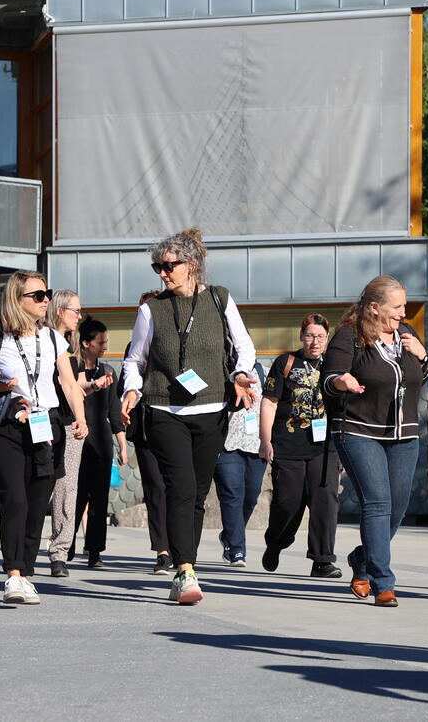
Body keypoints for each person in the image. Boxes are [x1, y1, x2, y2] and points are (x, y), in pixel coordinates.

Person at [121, 228, 257, 604]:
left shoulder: (219, 299)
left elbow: (244, 346)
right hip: (165, 409)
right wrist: (132, 388)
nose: (163, 273)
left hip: (212, 410)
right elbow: (135, 359)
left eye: (169, 266)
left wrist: (240, 374)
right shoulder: (152, 309)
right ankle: (185, 571)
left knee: (197, 493)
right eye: (157, 267)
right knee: (180, 488)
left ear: (191, 265)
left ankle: (188, 563)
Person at [0, 270, 87, 604]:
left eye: (46, 294)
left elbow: (68, 382)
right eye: (37, 295)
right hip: (7, 426)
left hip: (46, 425)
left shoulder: (54, 339)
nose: (45, 301)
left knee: (38, 505)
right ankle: (12, 575)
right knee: (16, 498)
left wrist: (80, 418)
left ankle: (25, 571)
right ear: (17, 299)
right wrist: (1, 387)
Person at [321, 275, 428, 608]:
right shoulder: (348, 336)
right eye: (396, 307)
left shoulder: (407, 334)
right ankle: (383, 581)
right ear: (373, 307)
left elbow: (418, 378)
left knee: (396, 509)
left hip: (403, 434)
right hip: (358, 431)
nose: (403, 313)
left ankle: (362, 559)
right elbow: (329, 379)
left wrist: (422, 356)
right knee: (378, 504)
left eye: (404, 306)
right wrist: (342, 381)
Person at [259, 314, 342, 580]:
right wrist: (265, 440)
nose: (314, 342)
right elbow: (270, 402)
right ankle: (276, 541)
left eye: (319, 336)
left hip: (325, 447)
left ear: (326, 338)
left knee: (325, 501)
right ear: (301, 336)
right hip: (288, 444)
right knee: (288, 504)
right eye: (309, 335)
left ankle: (322, 560)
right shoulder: (286, 363)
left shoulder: (334, 365)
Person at [71, 317, 128, 569]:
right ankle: (66, 545)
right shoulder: (72, 369)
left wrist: (122, 443)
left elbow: (114, 411)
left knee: (99, 497)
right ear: (85, 343)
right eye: (100, 341)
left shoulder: (108, 371)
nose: (105, 345)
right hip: (77, 435)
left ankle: (95, 551)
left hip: (102, 440)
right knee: (75, 495)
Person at [124, 290, 173, 575]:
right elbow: (124, 385)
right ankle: (162, 550)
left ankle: (180, 545)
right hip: (146, 427)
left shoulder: (178, 343)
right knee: (155, 489)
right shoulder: (135, 346)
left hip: (176, 421)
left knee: (178, 487)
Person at [44, 290, 87, 577]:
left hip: (68, 423)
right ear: (59, 310)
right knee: (37, 485)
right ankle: (24, 545)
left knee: (67, 488)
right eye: (75, 311)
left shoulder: (70, 348)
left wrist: (81, 419)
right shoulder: (40, 340)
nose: (79, 316)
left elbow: (72, 387)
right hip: (41, 421)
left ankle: (59, 552)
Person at [213, 362, 266, 567]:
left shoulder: (261, 371)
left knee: (251, 495)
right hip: (226, 443)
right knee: (232, 494)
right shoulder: (219, 369)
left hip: (255, 443)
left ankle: (229, 534)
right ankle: (236, 550)